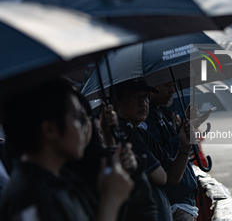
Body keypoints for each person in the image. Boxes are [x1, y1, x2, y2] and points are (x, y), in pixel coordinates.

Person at [0, 77, 133, 221]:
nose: (85, 128)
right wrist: (111, 200)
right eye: (78, 118)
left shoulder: (63, 179)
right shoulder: (28, 200)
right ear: (50, 129)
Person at [115, 77, 194, 221]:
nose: (142, 103)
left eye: (145, 97)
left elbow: (173, 176)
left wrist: (185, 144)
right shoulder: (125, 133)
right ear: (116, 102)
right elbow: (161, 177)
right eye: (135, 97)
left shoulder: (141, 133)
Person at [145, 81, 199, 221]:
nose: (172, 91)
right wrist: (181, 140)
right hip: (174, 201)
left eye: (172, 85)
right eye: (166, 85)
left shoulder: (161, 112)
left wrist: (187, 125)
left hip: (181, 199)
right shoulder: (146, 119)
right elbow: (164, 157)